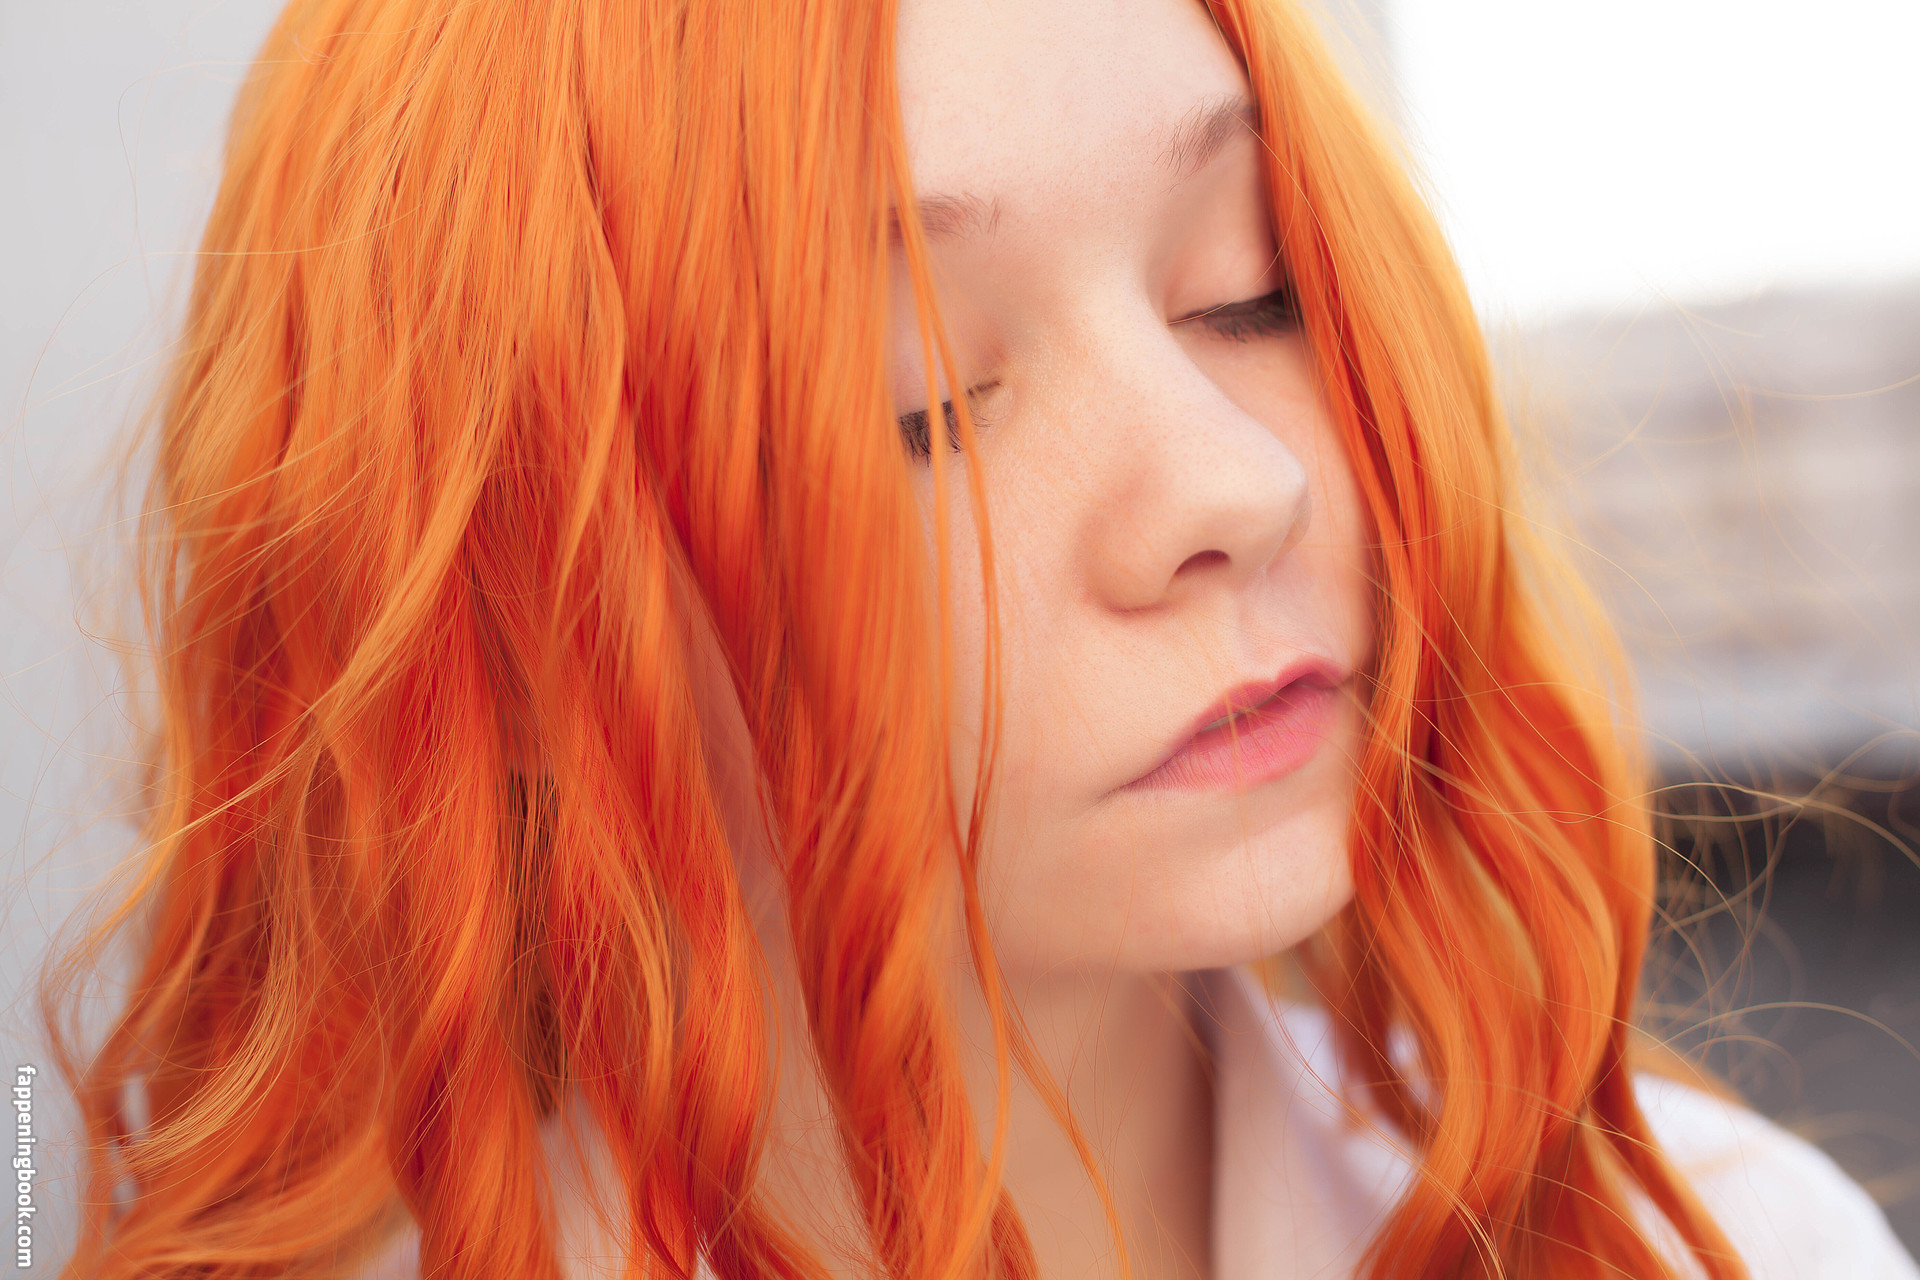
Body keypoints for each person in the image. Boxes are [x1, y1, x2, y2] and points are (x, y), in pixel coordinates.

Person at [42, 0, 1920, 1276]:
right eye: (920, 401)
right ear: (513, 617)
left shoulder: (1724, 1244)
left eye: (1248, 290)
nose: (1234, 484)